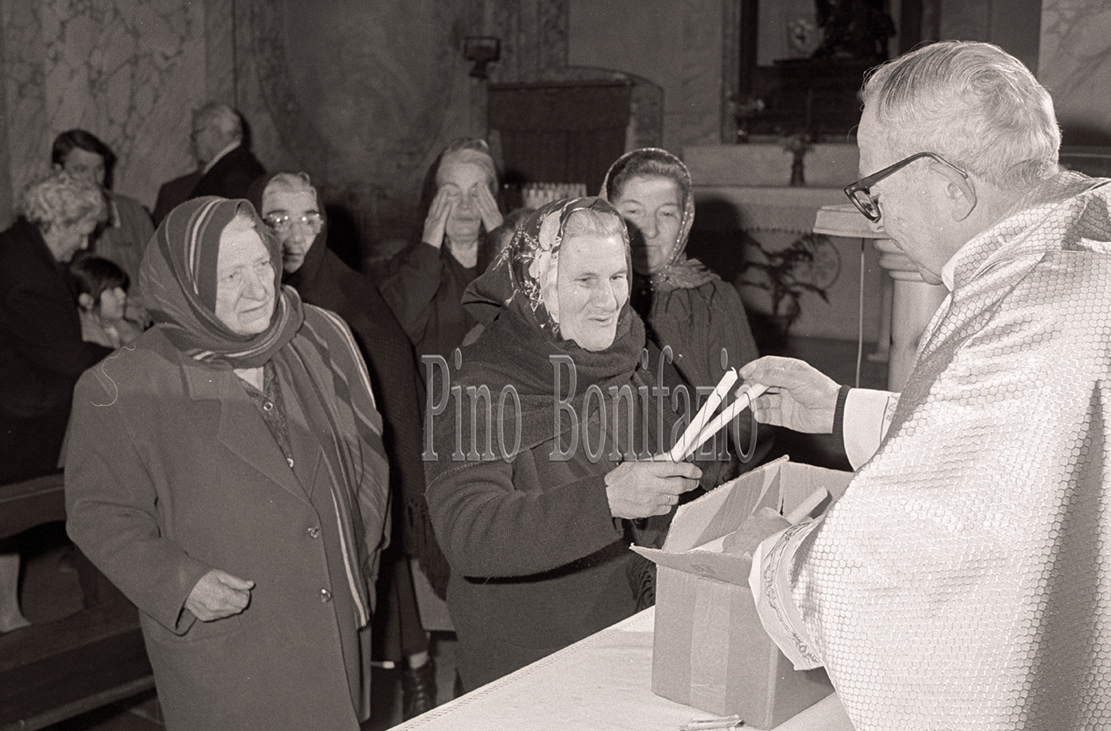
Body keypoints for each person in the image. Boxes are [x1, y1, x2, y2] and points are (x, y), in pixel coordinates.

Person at [737, 41, 1111, 730]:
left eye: (872, 193)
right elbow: (1031, 447)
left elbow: (899, 560)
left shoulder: (1033, 299)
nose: (875, 216)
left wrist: (768, 562)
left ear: (948, 185)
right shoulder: (1082, 229)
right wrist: (841, 409)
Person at [64, 197, 390, 730]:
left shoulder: (314, 343)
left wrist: (358, 558)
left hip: (327, 624)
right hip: (234, 643)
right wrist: (180, 583)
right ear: (185, 283)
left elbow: (364, 467)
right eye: (231, 274)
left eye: (262, 264)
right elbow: (98, 512)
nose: (258, 290)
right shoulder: (123, 385)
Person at [425, 197, 702, 691]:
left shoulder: (632, 349)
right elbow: (468, 532)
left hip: (634, 625)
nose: (608, 301)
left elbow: (688, 454)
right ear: (537, 284)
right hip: (529, 653)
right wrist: (606, 499)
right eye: (585, 280)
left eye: (617, 277)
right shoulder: (478, 383)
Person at [248, 172, 437, 718]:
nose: (296, 234)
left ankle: (409, 675)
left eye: (310, 219)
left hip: (350, 457)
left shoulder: (343, 289)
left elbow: (388, 377)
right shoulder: (253, 292)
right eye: (279, 219)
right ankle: (410, 667)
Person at [602, 148, 771, 486]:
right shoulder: (591, 297)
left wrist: (722, 480)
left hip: (696, 476)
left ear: (685, 220)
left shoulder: (712, 299)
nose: (649, 230)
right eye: (632, 212)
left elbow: (747, 412)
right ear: (607, 216)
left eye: (666, 214)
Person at [0, 173, 110, 633]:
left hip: (16, 404)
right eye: (83, 231)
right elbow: (67, 357)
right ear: (59, 222)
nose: (85, 243)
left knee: (8, 520)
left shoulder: (17, 247)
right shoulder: (28, 275)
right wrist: (130, 354)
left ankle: (7, 612)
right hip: (17, 412)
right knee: (11, 512)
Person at [377, 138, 503, 366]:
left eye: (477, 193)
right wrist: (427, 250)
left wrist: (502, 245)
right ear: (434, 200)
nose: (465, 205)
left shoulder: (515, 262)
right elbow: (392, 335)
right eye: (452, 193)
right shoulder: (406, 266)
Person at [52, 129, 154, 321]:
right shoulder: (51, 221)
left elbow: (158, 275)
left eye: (99, 169)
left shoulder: (132, 212)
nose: (93, 180)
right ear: (58, 171)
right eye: (81, 170)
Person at [152, 102, 265, 225]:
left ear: (214, 133)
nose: (193, 142)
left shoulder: (234, 175)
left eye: (195, 133)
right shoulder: (240, 164)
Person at [69, 255, 143, 349]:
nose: (122, 295)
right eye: (112, 290)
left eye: (122, 289)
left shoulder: (124, 326)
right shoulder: (86, 341)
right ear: (87, 301)